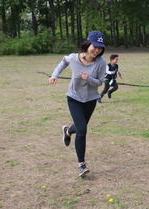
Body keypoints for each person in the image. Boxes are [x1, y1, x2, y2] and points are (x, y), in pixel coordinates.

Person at [48, 31, 106, 177]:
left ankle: (67, 130)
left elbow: (100, 82)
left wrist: (89, 79)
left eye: (100, 48)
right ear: (88, 44)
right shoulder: (74, 58)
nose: (97, 50)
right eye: (95, 46)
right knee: (82, 130)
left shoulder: (101, 62)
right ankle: (81, 165)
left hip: (91, 99)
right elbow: (63, 62)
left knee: (81, 126)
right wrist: (54, 75)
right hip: (74, 98)